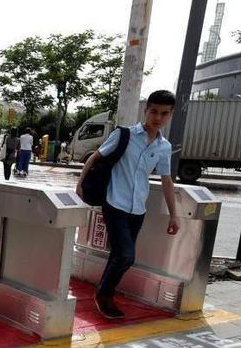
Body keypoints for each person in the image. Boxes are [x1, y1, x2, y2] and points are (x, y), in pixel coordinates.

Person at [76, 90, 180, 320]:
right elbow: (96, 157)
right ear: (146, 111)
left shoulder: (164, 147)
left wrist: (174, 215)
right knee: (126, 255)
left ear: (170, 115)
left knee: (121, 255)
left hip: (138, 209)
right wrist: (80, 185)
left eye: (164, 113)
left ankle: (104, 293)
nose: (158, 117)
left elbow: (166, 181)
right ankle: (104, 295)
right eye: (153, 111)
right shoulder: (125, 135)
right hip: (115, 203)